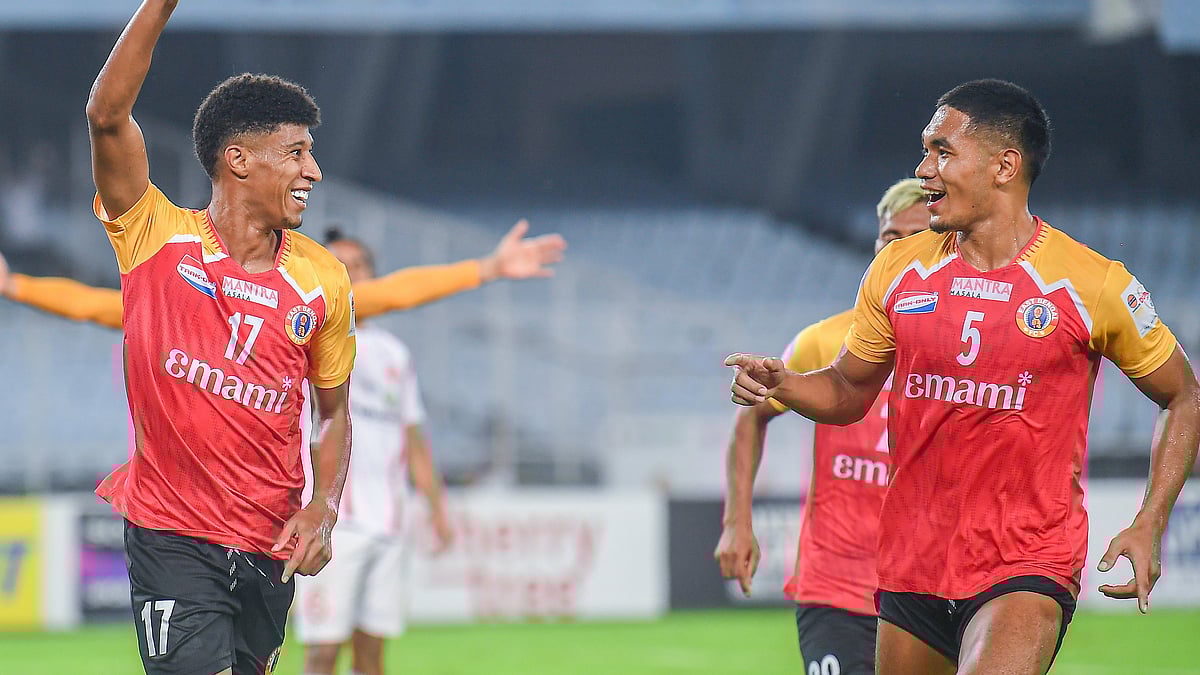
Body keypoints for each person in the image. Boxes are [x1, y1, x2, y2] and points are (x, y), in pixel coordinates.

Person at [726, 79, 1199, 675]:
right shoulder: (898, 267)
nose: (924, 170)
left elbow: (1183, 396)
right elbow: (849, 391)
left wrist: (1150, 520)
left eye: (942, 152)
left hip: (1024, 563)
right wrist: (786, 384)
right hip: (911, 564)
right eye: (925, 152)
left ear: (1005, 165)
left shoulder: (1092, 284)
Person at [86, 2, 356, 673]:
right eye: (295, 153)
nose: (312, 171)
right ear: (238, 160)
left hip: (270, 544)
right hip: (171, 537)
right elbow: (106, 116)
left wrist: (323, 504)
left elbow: (333, 412)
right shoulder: (154, 236)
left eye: (311, 154)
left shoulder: (323, 279)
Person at [715, 178, 928, 675]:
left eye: (913, 236)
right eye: (887, 236)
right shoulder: (827, 339)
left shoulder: (966, 348)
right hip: (837, 590)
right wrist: (736, 522)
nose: (894, 249)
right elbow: (751, 416)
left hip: (929, 589)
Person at [291, 229, 453, 675]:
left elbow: (413, 441)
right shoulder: (306, 333)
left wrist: (436, 508)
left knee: (372, 655)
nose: (349, 274)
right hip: (335, 525)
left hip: (389, 524)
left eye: (357, 265)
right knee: (322, 652)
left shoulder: (393, 354)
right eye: (338, 264)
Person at [0, 219, 566, 330]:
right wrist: (16, 286)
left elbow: (393, 294)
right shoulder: (180, 306)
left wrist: (486, 268)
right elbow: (95, 305)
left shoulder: (302, 303)